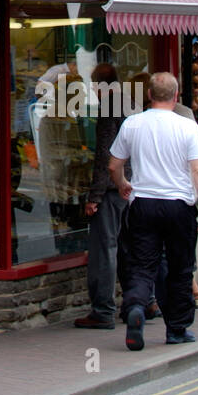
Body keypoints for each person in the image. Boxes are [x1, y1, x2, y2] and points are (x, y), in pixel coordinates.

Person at [109, 72, 198, 351]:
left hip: (143, 203)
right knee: (180, 268)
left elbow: (113, 164)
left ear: (150, 95)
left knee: (142, 265)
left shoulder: (133, 124)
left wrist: (123, 185)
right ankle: (177, 329)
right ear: (176, 96)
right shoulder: (186, 126)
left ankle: (136, 308)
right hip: (179, 205)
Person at [74, 64, 128, 330]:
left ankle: (103, 310)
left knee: (104, 250)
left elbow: (105, 156)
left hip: (111, 190)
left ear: (98, 85)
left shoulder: (110, 107)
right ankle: (141, 301)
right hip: (131, 189)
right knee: (129, 248)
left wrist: (94, 196)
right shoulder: (130, 102)